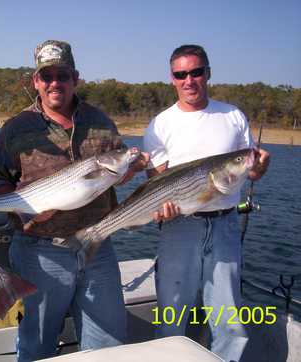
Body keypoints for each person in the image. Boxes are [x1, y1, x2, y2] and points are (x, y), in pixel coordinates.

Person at [0, 40, 149, 361]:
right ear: (36, 81)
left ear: (76, 78)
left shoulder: (101, 121)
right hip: (39, 253)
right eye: (47, 77)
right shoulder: (16, 128)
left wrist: (133, 167)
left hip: (98, 250)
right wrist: (22, 209)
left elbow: (113, 176)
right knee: (36, 346)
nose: (55, 83)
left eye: (62, 75)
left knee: (108, 342)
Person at [144, 44, 270, 362]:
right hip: (178, 227)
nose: (189, 80)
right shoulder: (160, 124)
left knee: (230, 321)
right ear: (172, 78)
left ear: (208, 73)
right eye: (181, 74)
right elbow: (157, 182)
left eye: (196, 72)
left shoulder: (233, 116)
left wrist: (259, 167)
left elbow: (251, 169)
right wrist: (163, 208)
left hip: (226, 224)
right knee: (171, 318)